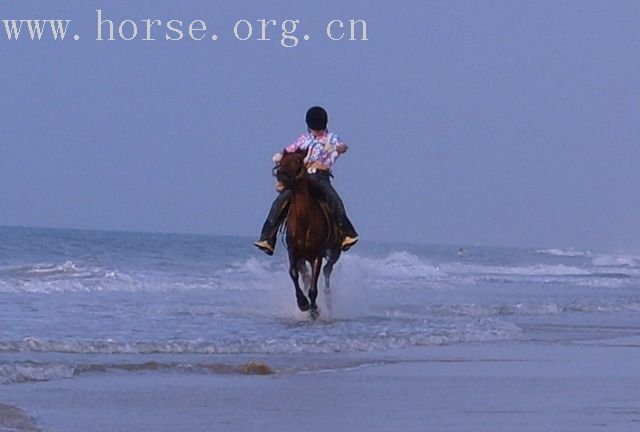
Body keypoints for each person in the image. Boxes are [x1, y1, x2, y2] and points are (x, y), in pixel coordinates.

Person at [254, 106, 359, 256]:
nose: (317, 131)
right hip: (302, 178)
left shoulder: (332, 139)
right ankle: (268, 238)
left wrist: (335, 148)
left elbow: (343, 147)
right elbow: (289, 150)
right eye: (315, 128)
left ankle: (347, 234)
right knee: (280, 201)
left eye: (319, 128)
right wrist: (280, 155)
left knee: (334, 199)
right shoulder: (304, 139)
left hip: (320, 176)